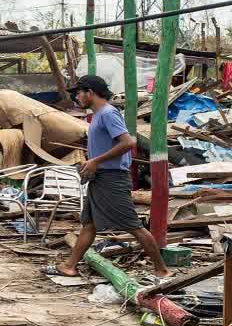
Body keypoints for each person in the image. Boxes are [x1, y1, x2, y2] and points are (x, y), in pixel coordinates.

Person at [56, 75, 172, 279]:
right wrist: (91, 162)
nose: (77, 97)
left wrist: (96, 161)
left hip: (112, 178)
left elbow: (128, 142)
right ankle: (70, 265)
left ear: (90, 92)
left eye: (79, 93)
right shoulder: (98, 115)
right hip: (99, 177)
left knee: (132, 225)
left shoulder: (108, 113)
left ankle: (161, 269)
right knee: (89, 224)